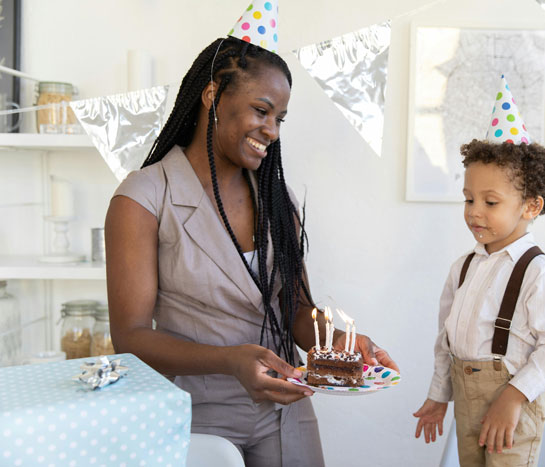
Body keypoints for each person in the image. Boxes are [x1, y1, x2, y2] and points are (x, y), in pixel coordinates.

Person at [104, 26, 397, 467]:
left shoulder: (278, 203)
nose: (272, 130)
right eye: (262, 110)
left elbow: (297, 310)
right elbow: (131, 337)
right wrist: (231, 361)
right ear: (212, 94)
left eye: (279, 118)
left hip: (286, 409)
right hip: (197, 417)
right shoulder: (143, 199)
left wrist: (338, 342)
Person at [412, 77, 545, 466]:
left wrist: (514, 395)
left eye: (490, 201)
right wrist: (440, 395)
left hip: (513, 406)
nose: (474, 211)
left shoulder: (540, 273)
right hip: (466, 397)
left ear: (531, 207)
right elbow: (447, 339)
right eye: (469, 199)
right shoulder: (464, 267)